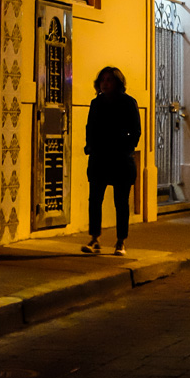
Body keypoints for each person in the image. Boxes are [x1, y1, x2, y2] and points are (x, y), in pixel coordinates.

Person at [82, 66, 141, 256]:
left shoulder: (128, 103)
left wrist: (127, 148)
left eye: (109, 80)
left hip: (120, 159)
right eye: (103, 80)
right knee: (95, 199)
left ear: (117, 83)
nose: (105, 83)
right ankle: (94, 239)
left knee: (121, 201)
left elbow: (136, 130)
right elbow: (90, 127)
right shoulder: (96, 103)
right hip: (99, 157)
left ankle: (120, 241)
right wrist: (90, 146)